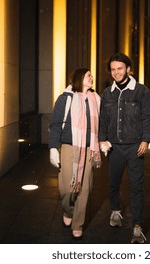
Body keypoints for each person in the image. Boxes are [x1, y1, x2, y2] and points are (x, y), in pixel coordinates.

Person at [99, 53, 150, 244]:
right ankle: (115, 210)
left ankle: (138, 227)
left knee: (136, 188)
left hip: (134, 148)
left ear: (128, 69)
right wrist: (102, 139)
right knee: (113, 184)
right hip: (114, 148)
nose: (116, 72)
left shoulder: (142, 91)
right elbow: (103, 120)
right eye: (113, 69)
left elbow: (148, 118)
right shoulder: (107, 93)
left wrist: (146, 140)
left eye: (120, 68)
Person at [49, 68, 101, 240]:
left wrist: (104, 141)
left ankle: (77, 223)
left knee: (85, 188)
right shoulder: (65, 99)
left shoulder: (95, 99)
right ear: (80, 78)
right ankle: (67, 209)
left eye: (91, 75)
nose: (91, 77)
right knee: (65, 188)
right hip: (69, 147)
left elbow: (102, 124)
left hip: (88, 149)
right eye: (88, 75)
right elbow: (55, 125)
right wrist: (53, 148)